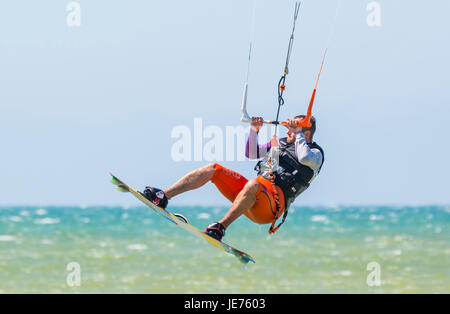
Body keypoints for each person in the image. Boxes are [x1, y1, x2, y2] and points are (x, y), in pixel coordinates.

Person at [140, 115, 324, 241]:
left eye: (295, 127)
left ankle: (220, 228)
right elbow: (251, 153)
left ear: (306, 132)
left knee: (253, 185)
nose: (288, 129)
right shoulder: (281, 143)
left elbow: (304, 158)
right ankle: (163, 196)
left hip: (269, 207)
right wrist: (254, 130)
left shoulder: (316, 154)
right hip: (251, 193)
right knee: (214, 169)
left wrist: (299, 133)